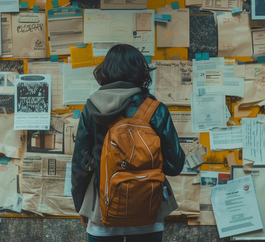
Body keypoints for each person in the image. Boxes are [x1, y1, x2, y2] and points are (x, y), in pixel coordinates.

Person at [71, 44, 185, 242]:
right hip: (148, 212)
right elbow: (174, 166)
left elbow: (80, 166)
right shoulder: (156, 110)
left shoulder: (91, 108)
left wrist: (80, 205)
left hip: (101, 212)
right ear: (141, 72)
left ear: (105, 71)